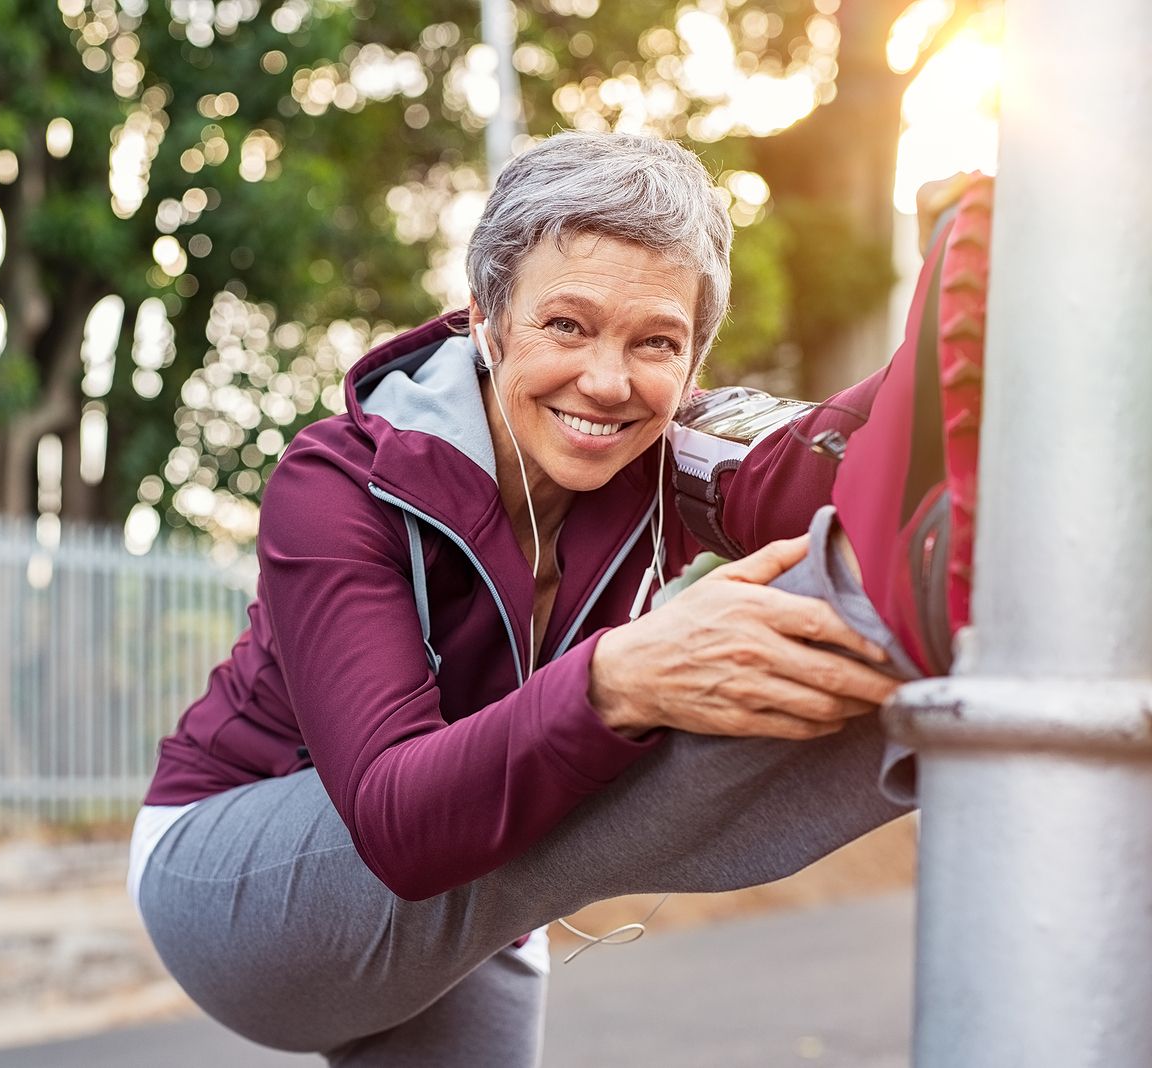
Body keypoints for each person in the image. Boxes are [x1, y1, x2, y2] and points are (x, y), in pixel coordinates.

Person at [129, 131, 989, 1065]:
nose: (608, 381)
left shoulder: (668, 453)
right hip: (240, 882)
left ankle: (973, 610)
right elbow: (397, 819)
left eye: (655, 341)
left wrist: (969, 323)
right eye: (567, 326)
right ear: (488, 323)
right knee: (692, 676)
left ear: (693, 359)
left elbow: (821, 468)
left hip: (486, 900)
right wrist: (617, 680)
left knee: (828, 569)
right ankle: (938, 624)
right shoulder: (341, 478)